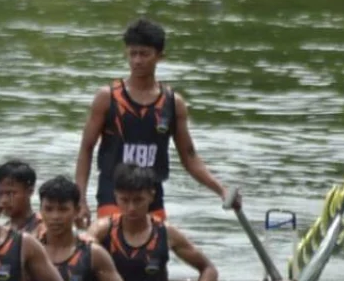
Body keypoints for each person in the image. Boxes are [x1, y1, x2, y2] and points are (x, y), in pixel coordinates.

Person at [74, 18, 238, 227]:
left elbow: (189, 157)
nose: (137, 60)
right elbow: (86, 149)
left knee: (155, 255)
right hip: (113, 194)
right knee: (114, 250)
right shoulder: (107, 98)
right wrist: (79, 199)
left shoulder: (173, 103)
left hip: (151, 195)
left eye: (144, 54)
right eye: (132, 54)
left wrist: (221, 190)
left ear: (160, 57)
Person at [87, 165, 218, 281]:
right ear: (115, 196)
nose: (131, 208)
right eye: (125, 200)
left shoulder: (166, 233)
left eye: (138, 200)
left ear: (151, 195)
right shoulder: (100, 230)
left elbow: (209, 270)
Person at [36, 176, 132, 281]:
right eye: (49, 209)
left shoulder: (94, 254)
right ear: (40, 211)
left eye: (63, 209)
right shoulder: (29, 249)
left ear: (76, 210)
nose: (55, 216)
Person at [0, 159, 41, 234]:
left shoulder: (45, 229)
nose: (4, 200)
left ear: (29, 192)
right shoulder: (3, 230)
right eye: (0, 193)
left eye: (10, 193)